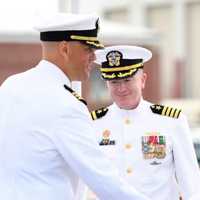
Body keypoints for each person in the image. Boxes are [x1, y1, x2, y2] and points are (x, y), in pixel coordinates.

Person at [0, 14, 151, 200]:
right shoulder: (64, 105)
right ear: (65, 49)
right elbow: (103, 180)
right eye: (88, 49)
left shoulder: (11, 85)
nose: (93, 57)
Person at [88, 45, 200, 200]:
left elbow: (191, 184)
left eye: (127, 80)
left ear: (143, 80)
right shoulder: (92, 123)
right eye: (114, 82)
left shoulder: (171, 121)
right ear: (107, 84)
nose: (121, 88)